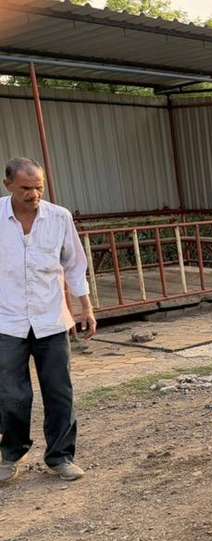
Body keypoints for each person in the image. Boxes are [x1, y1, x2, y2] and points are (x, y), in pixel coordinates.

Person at [0, 157, 96, 483]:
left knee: (59, 392)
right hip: (7, 322)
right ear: (8, 185)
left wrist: (86, 308)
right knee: (12, 395)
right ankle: (11, 453)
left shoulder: (59, 218)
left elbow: (74, 264)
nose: (34, 193)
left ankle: (60, 456)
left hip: (52, 319)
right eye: (26, 188)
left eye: (39, 186)